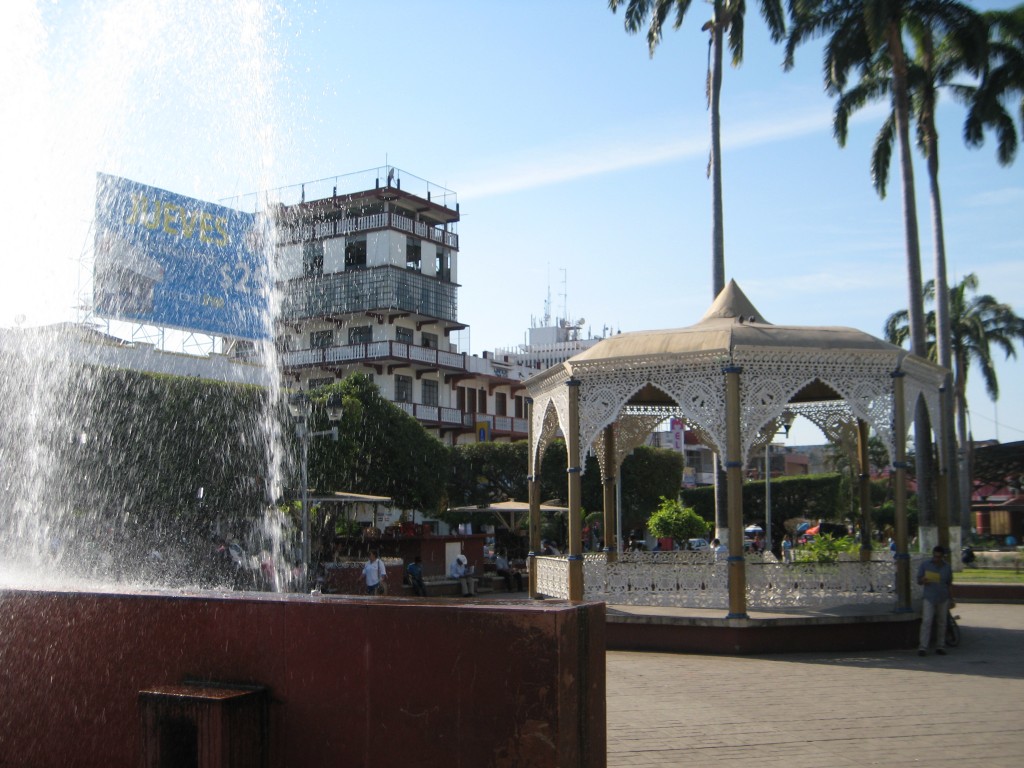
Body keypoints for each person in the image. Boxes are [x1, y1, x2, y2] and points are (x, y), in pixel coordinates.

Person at [917, 545, 953, 656]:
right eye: (935, 556)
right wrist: (923, 580)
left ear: (942, 557)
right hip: (929, 596)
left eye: (939, 557)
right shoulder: (925, 565)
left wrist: (951, 598)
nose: (936, 559)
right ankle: (923, 646)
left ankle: (940, 645)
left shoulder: (947, 567)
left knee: (942, 622)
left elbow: (949, 583)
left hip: (943, 597)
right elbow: (919, 580)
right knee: (927, 621)